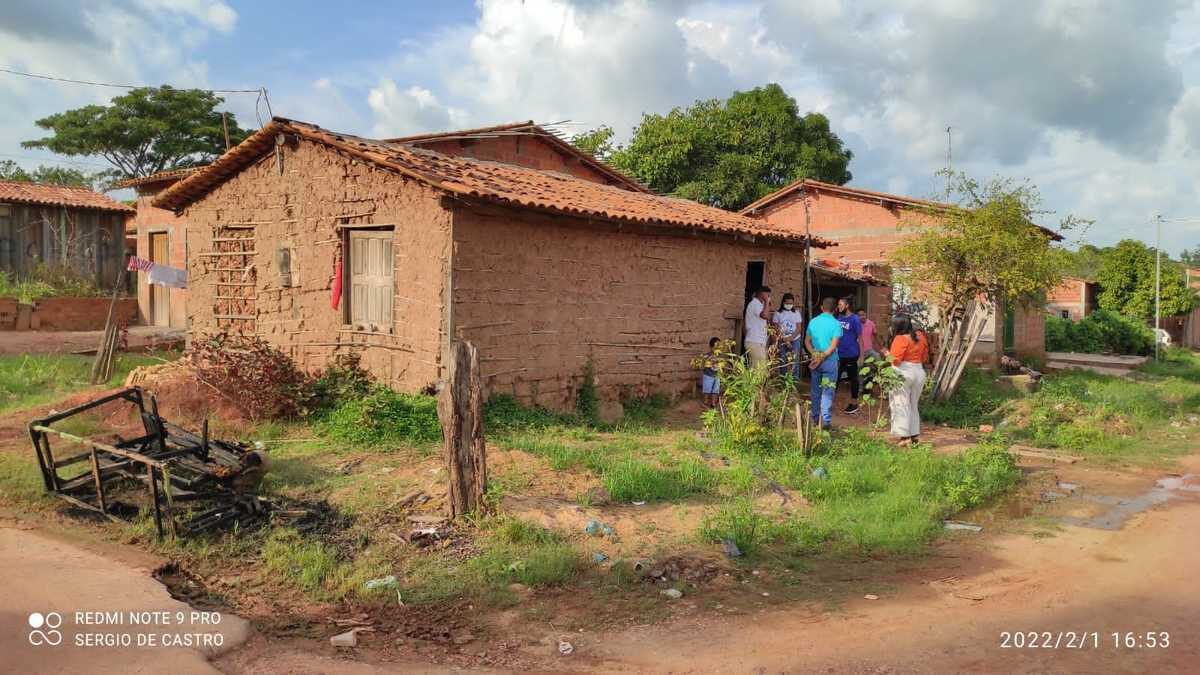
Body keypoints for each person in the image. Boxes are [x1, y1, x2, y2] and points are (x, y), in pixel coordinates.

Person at [886, 314, 930, 446]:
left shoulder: (900, 339)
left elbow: (895, 361)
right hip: (918, 371)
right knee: (913, 405)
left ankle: (904, 437)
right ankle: (914, 435)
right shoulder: (920, 337)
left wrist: (885, 353)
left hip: (903, 372)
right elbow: (925, 358)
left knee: (900, 403)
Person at [805, 297, 842, 430]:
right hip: (830, 362)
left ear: (821, 308)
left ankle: (815, 420)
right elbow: (833, 347)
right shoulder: (836, 324)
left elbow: (807, 341)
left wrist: (815, 354)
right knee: (828, 392)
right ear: (835, 309)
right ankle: (825, 422)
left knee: (815, 391)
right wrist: (822, 357)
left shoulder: (813, 322)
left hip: (815, 361)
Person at [835, 297, 863, 414]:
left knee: (853, 379)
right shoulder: (839, 317)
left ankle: (854, 403)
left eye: (841, 304)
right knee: (835, 378)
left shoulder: (855, 319)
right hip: (839, 354)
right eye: (838, 304)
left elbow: (860, 338)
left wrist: (861, 355)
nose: (839, 306)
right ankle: (828, 402)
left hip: (852, 354)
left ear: (847, 305)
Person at [772, 293, 803, 381]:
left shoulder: (796, 313)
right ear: (783, 302)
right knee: (783, 359)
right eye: (787, 303)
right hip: (782, 339)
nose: (789, 305)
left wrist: (790, 338)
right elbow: (776, 328)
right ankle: (783, 380)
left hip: (795, 339)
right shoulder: (777, 314)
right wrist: (784, 338)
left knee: (794, 360)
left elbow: (799, 328)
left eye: (791, 303)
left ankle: (794, 380)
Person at [743, 286, 773, 368]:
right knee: (758, 370)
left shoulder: (760, 305)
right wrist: (767, 301)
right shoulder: (754, 304)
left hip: (758, 342)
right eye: (767, 295)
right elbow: (765, 315)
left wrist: (767, 304)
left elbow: (768, 316)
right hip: (754, 341)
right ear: (762, 293)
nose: (769, 297)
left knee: (760, 369)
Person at [858, 308, 880, 390]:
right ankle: (861, 388)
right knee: (859, 368)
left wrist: (882, 348)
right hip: (860, 351)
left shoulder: (871, 323)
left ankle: (877, 382)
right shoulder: (856, 325)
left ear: (866, 314)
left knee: (878, 359)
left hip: (870, 350)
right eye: (859, 315)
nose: (862, 317)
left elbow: (876, 336)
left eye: (863, 315)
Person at [700, 337, 723, 408]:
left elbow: (722, 366)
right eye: (715, 347)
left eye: (718, 347)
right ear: (711, 347)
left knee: (715, 391)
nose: (717, 349)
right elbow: (702, 366)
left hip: (717, 376)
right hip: (708, 375)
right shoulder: (706, 356)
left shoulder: (720, 357)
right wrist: (707, 362)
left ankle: (713, 404)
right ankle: (705, 402)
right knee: (707, 390)